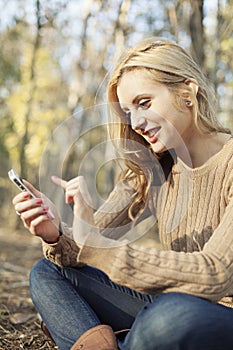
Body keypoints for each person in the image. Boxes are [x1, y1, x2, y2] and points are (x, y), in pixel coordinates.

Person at [12, 38, 233, 350]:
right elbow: (88, 248)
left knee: (169, 317)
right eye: (128, 112)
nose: (136, 122)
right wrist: (56, 233)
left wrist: (95, 246)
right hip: (164, 306)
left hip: (218, 314)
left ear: (187, 92)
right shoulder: (152, 168)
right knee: (49, 273)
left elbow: (216, 274)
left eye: (144, 103)